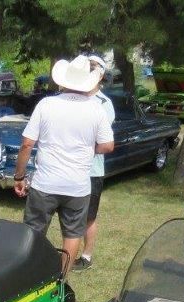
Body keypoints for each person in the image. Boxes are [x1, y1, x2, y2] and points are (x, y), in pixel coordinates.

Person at [12, 55, 114, 272]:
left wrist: (19, 176)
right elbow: (107, 146)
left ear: (63, 81)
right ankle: (60, 278)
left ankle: (28, 273)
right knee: (73, 233)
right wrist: (87, 149)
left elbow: (27, 144)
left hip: (45, 184)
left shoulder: (46, 104)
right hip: (78, 186)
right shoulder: (96, 108)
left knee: (33, 231)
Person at [78, 55, 115, 271]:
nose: (89, 72)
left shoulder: (104, 103)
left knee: (88, 216)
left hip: (91, 170)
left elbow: (101, 139)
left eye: (92, 68)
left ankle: (87, 255)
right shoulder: (71, 97)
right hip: (70, 168)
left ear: (100, 74)